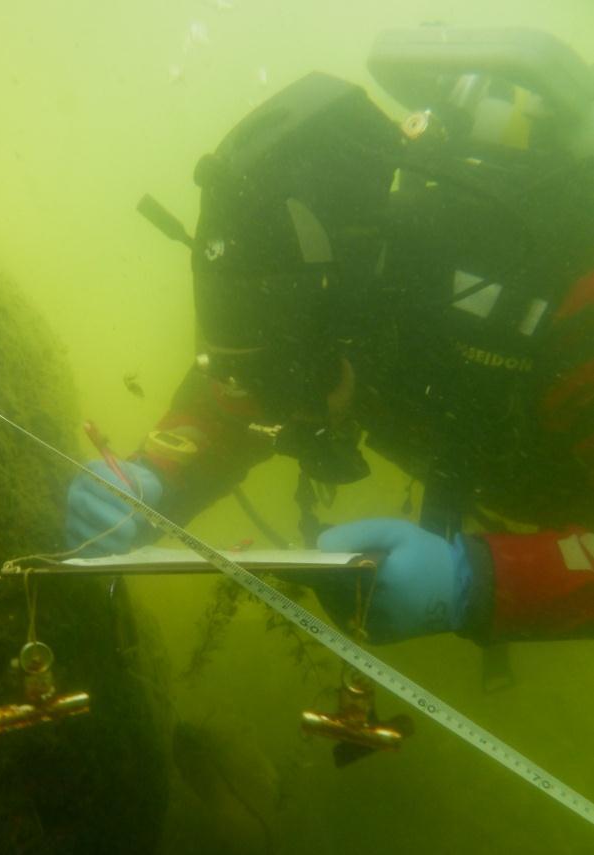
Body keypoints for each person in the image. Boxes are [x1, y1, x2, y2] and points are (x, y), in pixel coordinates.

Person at [67, 26, 594, 646]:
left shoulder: (572, 324)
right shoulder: (359, 272)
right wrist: (156, 474)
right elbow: (243, 389)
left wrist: (479, 579)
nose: (276, 410)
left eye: (294, 378)